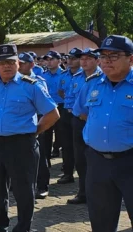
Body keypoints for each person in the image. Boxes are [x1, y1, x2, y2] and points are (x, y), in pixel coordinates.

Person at [0, 44, 59, 232]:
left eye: (11, 62)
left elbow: (52, 114)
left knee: (23, 193)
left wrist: (32, 132)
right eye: (1, 63)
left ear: (18, 63)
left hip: (22, 146)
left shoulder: (31, 85)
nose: (7, 66)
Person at [71, 35, 133, 232]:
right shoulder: (93, 84)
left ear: (130, 59)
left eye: (114, 56)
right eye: (103, 56)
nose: (106, 62)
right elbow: (81, 112)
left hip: (130, 161)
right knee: (101, 214)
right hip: (97, 160)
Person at [65, 48, 101, 205]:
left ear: (97, 60)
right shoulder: (77, 77)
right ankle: (83, 192)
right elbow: (71, 98)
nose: (84, 61)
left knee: (97, 159)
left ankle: (99, 193)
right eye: (82, 58)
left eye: (89, 58)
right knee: (80, 158)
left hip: (97, 124)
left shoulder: (103, 78)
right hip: (79, 120)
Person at [35, 50, 68, 197]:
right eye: (47, 59)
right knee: (44, 141)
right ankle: (45, 166)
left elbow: (64, 92)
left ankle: (67, 169)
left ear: (59, 61)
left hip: (61, 107)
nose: (48, 62)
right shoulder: (43, 76)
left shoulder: (64, 75)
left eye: (52, 59)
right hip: (45, 110)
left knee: (64, 140)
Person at [56, 48, 83, 185]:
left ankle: (83, 177)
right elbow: (61, 92)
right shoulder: (64, 75)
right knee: (66, 145)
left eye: (74, 58)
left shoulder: (86, 76)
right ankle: (68, 173)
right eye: (69, 58)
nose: (70, 61)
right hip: (66, 112)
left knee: (79, 147)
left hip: (79, 116)